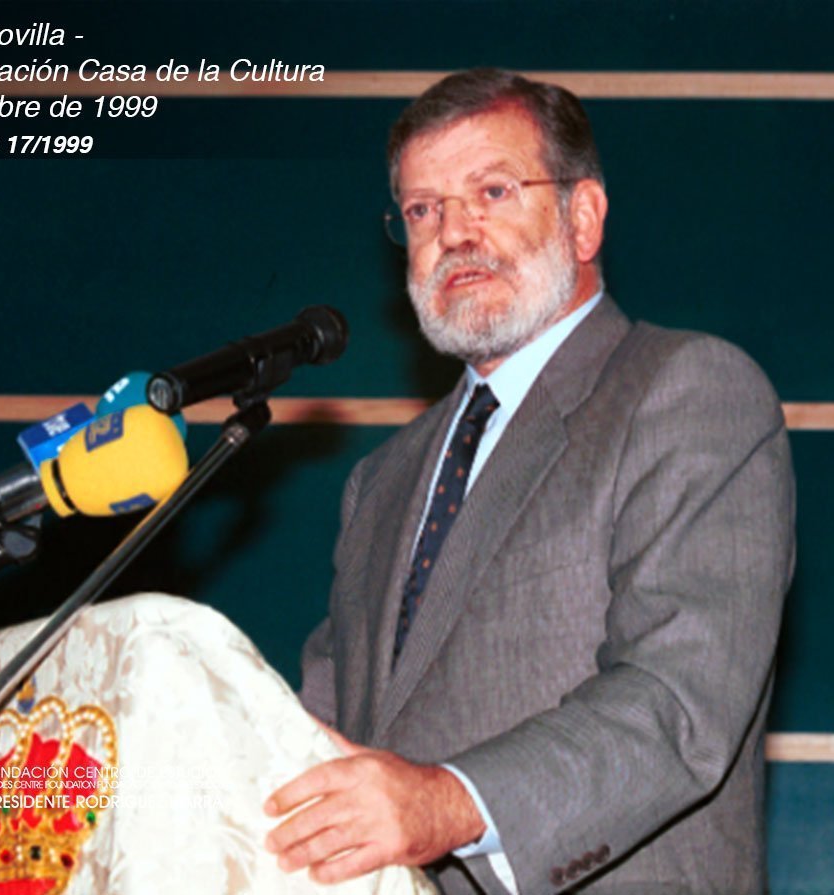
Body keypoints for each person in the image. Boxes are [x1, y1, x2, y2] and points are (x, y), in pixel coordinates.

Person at [264, 68, 796, 894]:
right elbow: (318, 737)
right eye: (422, 209)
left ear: (582, 218)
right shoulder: (382, 478)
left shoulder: (686, 390)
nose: (454, 231)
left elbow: (678, 700)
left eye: (493, 191)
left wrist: (448, 802)